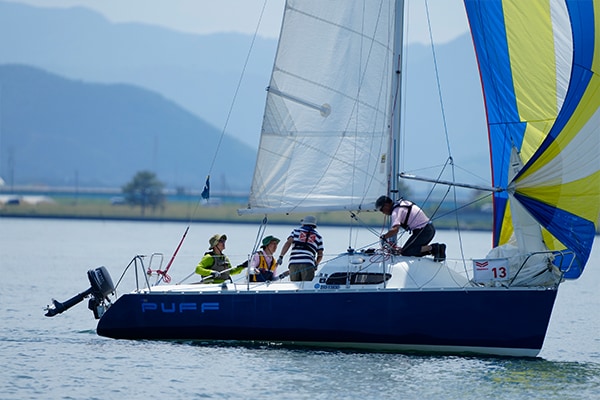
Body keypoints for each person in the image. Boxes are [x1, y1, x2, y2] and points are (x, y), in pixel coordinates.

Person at [375, 195, 446, 262]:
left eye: (382, 210)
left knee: (406, 252)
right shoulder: (402, 203)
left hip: (423, 231)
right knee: (407, 250)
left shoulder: (396, 212)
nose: (382, 212)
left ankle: (435, 248)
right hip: (428, 228)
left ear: (386, 205)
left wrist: (384, 237)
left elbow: (395, 230)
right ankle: (436, 250)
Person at [277, 215, 324, 282]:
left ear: (303, 223)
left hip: (294, 262)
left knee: (295, 286)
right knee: (307, 286)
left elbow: (288, 243)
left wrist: (281, 256)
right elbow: (320, 254)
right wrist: (316, 264)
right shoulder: (318, 236)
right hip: (308, 263)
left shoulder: (296, 231)